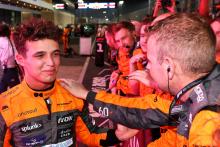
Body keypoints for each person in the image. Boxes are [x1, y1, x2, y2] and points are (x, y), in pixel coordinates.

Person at [61, 13, 220, 146]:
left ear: (168, 66)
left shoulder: (208, 127)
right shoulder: (197, 95)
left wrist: (88, 95)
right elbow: (145, 108)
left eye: (149, 61)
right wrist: (89, 95)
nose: (147, 68)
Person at [0, 18, 122, 147]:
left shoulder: (73, 93)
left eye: (55, 54)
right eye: (40, 55)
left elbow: (90, 134)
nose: (51, 63)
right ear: (20, 59)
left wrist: (119, 135)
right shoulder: (4, 105)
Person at [0, 22, 20, 93]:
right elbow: (11, 54)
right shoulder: (8, 42)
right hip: (9, 69)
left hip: (4, 70)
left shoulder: (5, 41)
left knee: (2, 91)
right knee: (16, 91)